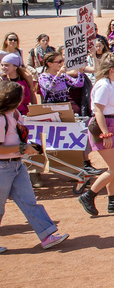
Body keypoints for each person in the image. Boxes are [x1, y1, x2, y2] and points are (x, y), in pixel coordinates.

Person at [0, 81, 70, 253]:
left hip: (17, 166)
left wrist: (26, 147)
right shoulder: (1, 118)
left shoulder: (15, 114)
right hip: (3, 168)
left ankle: (47, 237)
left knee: (30, 202)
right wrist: (23, 148)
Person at [78, 53, 114, 216]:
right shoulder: (103, 85)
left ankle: (113, 201)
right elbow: (98, 111)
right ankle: (89, 195)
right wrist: (106, 133)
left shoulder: (111, 83)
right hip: (105, 126)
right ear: (112, 69)